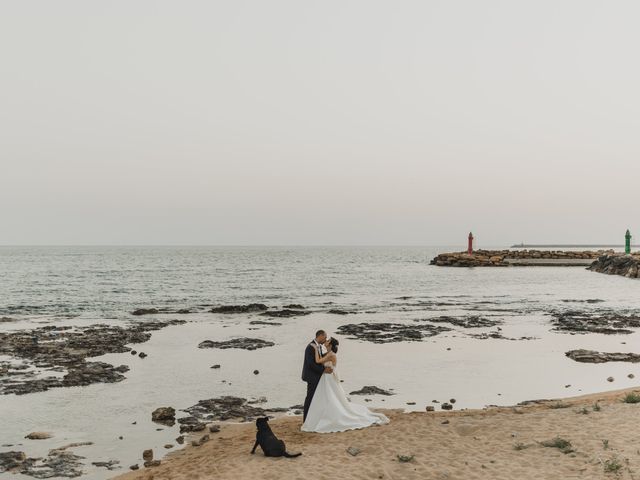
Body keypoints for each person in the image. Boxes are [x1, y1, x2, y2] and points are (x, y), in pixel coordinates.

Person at [301, 334, 389, 433]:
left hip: (328, 379)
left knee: (329, 398)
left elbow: (317, 361)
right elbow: (316, 362)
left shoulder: (330, 354)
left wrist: (316, 349)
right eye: (325, 338)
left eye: (327, 340)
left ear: (330, 344)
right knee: (324, 398)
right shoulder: (326, 352)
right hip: (325, 378)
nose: (326, 340)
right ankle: (317, 418)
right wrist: (317, 349)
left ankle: (323, 418)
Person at [301, 330, 332, 421]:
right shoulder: (311, 347)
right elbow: (311, 364)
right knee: (310, 398)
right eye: (325, 337)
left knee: (316, 398)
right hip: (311, 376)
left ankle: (313, 418)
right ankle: (306, 419)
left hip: (316, 376)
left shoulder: (317, 346)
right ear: (320, 336)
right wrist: (323, 370)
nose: (325, 339)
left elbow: (320, 359)